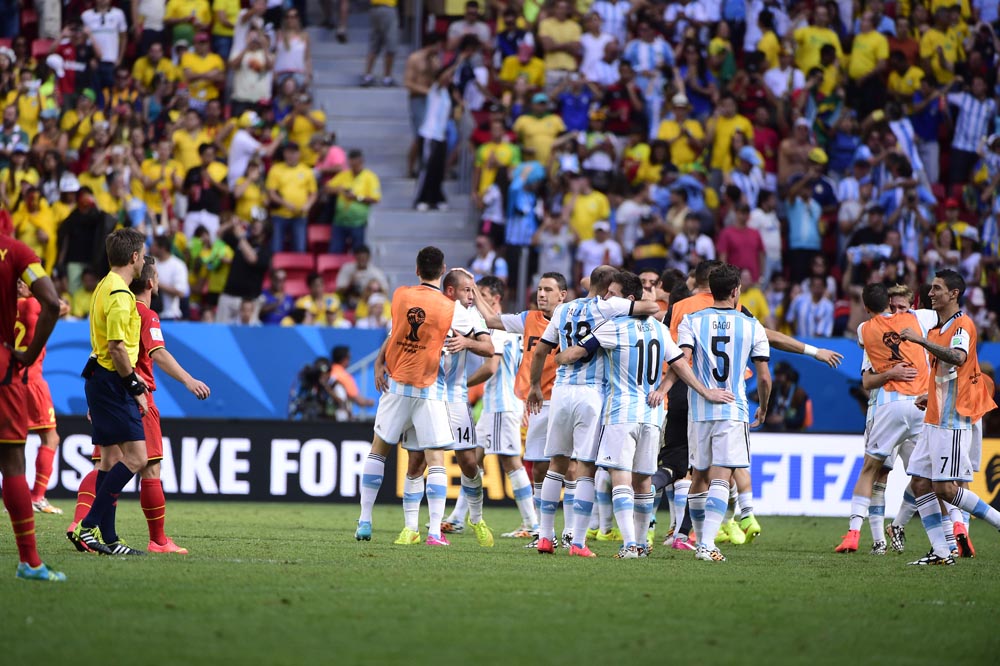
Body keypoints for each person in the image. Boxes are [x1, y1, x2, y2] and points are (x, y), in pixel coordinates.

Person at [556, 270, 733, 558]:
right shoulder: (659, 329)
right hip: (652, 414)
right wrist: (693, 390)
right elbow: (679, 363)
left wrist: (559, 357)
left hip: (621, 412)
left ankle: (630, 544)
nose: (606, 298)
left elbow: (577, 352)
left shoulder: (613, 327)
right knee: (643, 482)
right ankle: (640, 543)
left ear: (629, 299)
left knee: (621, 479)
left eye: (612, 294)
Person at [71, 256, 210, 554]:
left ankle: (84, 525)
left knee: (106, 463)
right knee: (149, 467)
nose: (158, 280)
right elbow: (157, 352)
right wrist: (188, 380)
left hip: (106, 389)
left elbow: (105, 351)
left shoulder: (111, 297)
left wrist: (98, 399)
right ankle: (156, 539)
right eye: (157, 276)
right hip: (135, 395)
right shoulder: (145, 313)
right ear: (149, 282)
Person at [355, 247, 491, 546]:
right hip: (430, 391)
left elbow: (396, 333)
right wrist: (466, 339)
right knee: (435, 459)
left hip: (397, 387)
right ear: (442, 271)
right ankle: (432, 532)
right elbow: (487, 346)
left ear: (417, 270)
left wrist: (379, 362)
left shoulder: (400, 296)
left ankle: (365, 520)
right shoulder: (453, 309)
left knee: (378, 451)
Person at [528, 266, 660, 556]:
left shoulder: (563, 309)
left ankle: (545, 537)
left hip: (561, 391)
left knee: (556, 464)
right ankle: (577, 542)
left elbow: (540, 351)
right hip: (592, 393)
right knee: (585, 467)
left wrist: (535, 386)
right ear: (609, 287)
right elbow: (652, 308)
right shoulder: (609, 307)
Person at [899, 270, 999, 565]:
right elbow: (948, 374)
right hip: (933, 417)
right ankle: (941, 551)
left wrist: (920, 341)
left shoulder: (961, 325)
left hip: (952, 420)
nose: (930, 294)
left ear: (954, 294)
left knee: (944, 488)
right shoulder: (937, 329)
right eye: (931, 289)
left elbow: (957, 357)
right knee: (920, 483)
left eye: (937, 289)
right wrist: (929, 395)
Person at [678, 263, 772, 562]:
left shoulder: (691, 321)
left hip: (699, 410)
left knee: (699, 476)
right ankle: (707, 544)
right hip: (733, 409)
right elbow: (764, 377)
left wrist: (703, 390)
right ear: (735, 291)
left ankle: (698, 540)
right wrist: (763, 408)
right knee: (722, 476)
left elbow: (681, 362)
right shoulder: (752, 325)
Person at [834, 282, 933, 555]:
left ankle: (890, 527)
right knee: (882, 474)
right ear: (889, 304)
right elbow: (867, 382)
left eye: (903, 306)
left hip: (900, 407)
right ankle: (878, 540)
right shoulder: (918, 320)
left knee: (918, 475)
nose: (899, 309)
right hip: (894, 406)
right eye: (895, 305)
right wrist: (892, 372)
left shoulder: (865, 330)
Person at [398, 269, 494, 546]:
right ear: (450, 290)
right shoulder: (426, 309)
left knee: (469, 462)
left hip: (455, 398)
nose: (472, 295)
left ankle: (476, 518)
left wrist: (466, 342)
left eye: (473, 290)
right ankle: (411, 528)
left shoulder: (471, 316)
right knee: (416, 462)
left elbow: (488, 349)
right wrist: (382, 362)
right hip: (425, 395)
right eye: (467, 290)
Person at [70, 228, 149, 556]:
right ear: (134, 257)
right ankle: (87, 527)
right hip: (112, 380)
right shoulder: (119, 294)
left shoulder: (104, 285)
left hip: (100, 378)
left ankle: (111, 539)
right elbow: (116, 347)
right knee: (137, 458)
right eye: (142, 255)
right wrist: (134, 385)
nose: (144, 261)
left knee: (110, 460)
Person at [474, 271, 568, 548]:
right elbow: (491, 319)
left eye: (548, 289)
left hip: (564, 400)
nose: (541, 294)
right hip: (536, 403)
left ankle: (573, 534)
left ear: (562, 295)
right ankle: (542, 532)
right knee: (538, 469)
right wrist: (473, 291)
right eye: (539, 289)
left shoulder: (572, 318)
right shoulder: (527, 318)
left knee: (572, 468)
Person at [0, 215, 64, 580]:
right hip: (17, 372)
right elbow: (55, 303)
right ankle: (29, 559)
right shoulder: (16, 253)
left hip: (19, 375)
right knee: (15, 460)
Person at [467, 276, 537, 536]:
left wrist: (463, 385)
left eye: (482, 295)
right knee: (473, 460)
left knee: (511, 463)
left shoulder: (498, 327)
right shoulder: (511, 327)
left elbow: (491, 366)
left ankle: (532, 524)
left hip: (501, 404)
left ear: (495, 299)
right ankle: (458, 518)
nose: (475, 299)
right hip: (497, 404)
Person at [16, 279, 66, 516]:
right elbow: (61, 307)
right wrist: (40, 291)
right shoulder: (33, 304)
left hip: (10, 380)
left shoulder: (8, 308)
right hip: (31, 379)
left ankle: (18, 497)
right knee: (51, 438)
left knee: (14, 441)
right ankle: (37, 496)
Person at [216, 216, 271, 324]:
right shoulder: (242, 241)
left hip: (249, 302)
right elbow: (219, 234)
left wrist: (241, 238)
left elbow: (252, 259)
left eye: (259, 224)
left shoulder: (266, 250)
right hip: (229, 296)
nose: (255, 225)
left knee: (247, 333)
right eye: (254, 223)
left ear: (265, 231)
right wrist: (231, 223)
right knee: (221, 331)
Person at [326, 149, 381, 253]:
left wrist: (356, 197)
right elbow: (327, 188)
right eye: (351, 164)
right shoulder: (344, 174)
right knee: (335, 252)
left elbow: (375, 198)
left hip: (358, 222)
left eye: (355, 164)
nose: (353, 166)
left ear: (361, 161)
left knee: (358, 252)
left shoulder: (370, 177)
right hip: (340, 221)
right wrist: (338, 190)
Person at [266, 142, 317, 253]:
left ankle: (299, 265)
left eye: (294, 153)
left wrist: (308, 205)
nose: (291, 155)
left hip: (300, 215)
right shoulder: (276, 169)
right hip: (279, 214)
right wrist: (285, 203)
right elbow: (271, 193)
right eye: (289, 152)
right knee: (276, 248)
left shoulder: (306, 170)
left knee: (300, 248)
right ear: (284, 153)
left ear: (299, 154)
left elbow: (313, 193)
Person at [327, 346, 374, 421]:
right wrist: (369, 402)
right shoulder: (343, 376)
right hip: (341, 418)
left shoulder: (328, 373)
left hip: (326, 417)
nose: (350, 360)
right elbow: (359, 400)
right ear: (344, 359)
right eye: (349, 358)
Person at [149, 236, 189, 320]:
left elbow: (181, 292)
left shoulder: (178, 265)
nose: (151, 247)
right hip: (152, 314)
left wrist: (157, 284)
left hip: (169, 315)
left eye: (154, 245)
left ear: (162, 248)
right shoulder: (152, 263)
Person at [361, 0, 399, 87]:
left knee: (374, 43)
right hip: (388, 7)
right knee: (391, 43)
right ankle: (387, 78)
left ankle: (367, 76)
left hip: (374, 9)